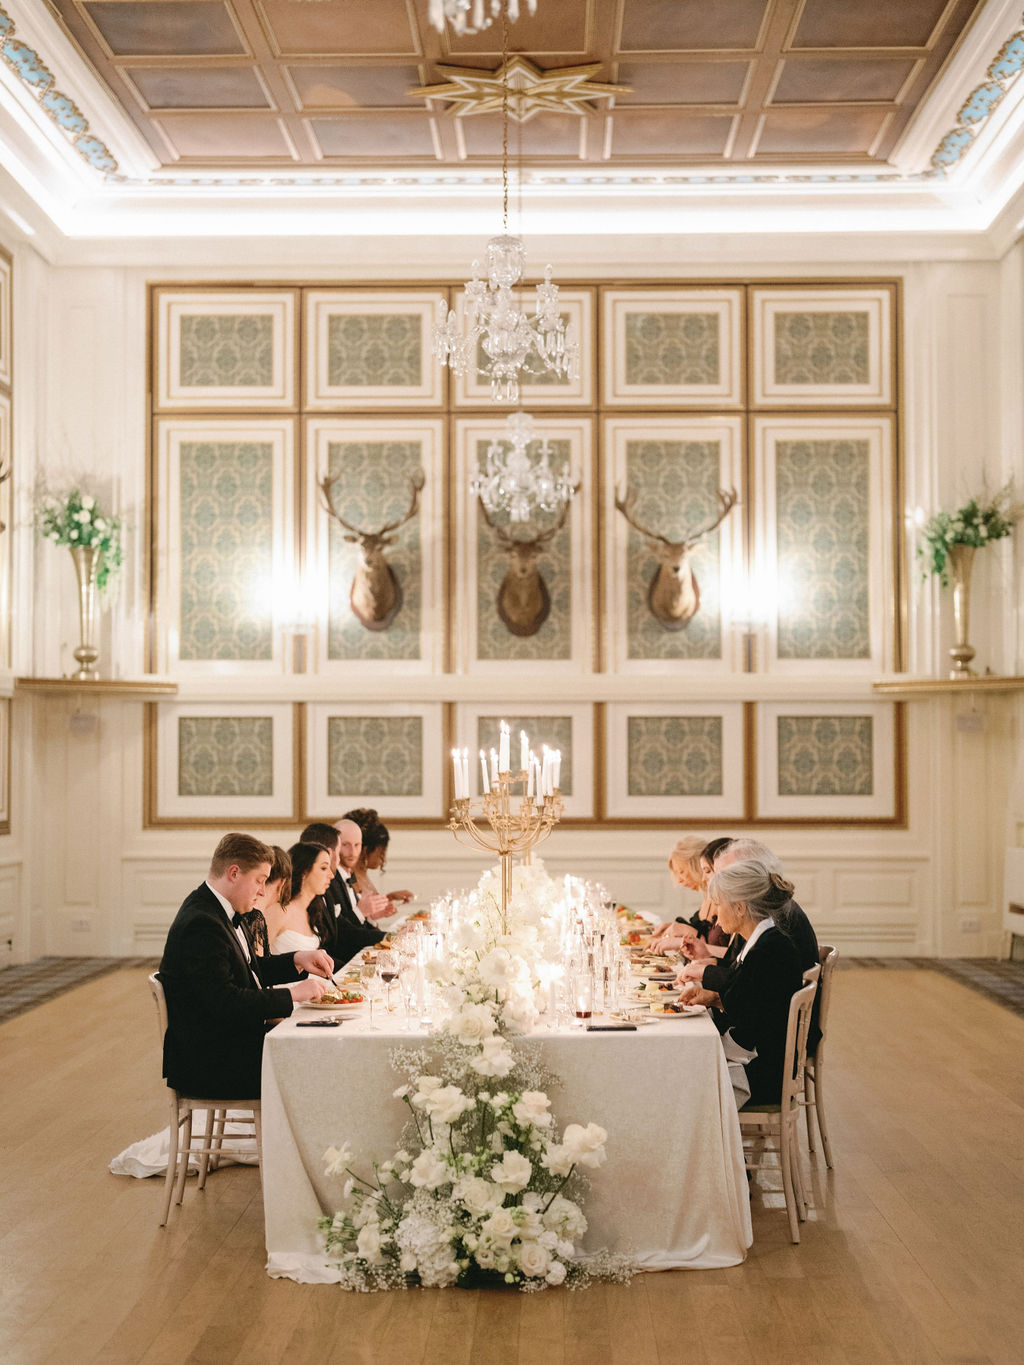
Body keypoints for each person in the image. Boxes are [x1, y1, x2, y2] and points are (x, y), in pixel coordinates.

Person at [158, 833, 332, 1099]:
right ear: (234, 873)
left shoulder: (218, 911)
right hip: (213, 1062)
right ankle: (299, 1138)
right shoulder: (201, 924)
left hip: (230, 1045)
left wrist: (298, 959)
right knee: (318, 1056)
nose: (263, 891)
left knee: (323, 1037)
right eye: (260, 881)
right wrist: (294, 994)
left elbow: (250, 971)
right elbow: (226, 1001)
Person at [678, 860, 803, 1107]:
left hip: (763, 1073)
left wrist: (702, 1051)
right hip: (760, 1059)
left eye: (719, 904)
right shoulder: (763, 940)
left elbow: (750, 1029)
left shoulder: (769, 950)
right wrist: (714, 998)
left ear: (739, 908)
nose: (714, 914)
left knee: (676, 1070)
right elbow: (755, 1002)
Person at [299, 821, 389, 966]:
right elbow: (340, 937)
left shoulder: (338, 880)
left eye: (357, 845)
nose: (352, 853)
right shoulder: (326, 886)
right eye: (344, 846)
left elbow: (345, 928)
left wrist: (386, 934)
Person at [269, 841, 335, 956]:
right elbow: (257, 961)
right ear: (304, 872)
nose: (331, 875)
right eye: (324, 868)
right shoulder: (279, 911)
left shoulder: (311, 911)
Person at [343, 806, 414, 906]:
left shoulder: (362, 874)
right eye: (381, 853)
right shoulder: (348, 878)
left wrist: (389, 898)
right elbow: (357, 915)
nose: (383, 859)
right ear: (365, 850)